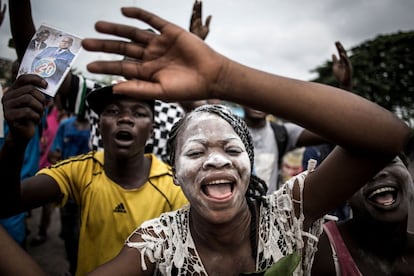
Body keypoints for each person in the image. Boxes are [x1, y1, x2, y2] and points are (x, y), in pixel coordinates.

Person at [0, 6, 409, 276]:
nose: (216, 161)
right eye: (195, 152)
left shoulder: (287, 215)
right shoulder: (159, 242)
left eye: (232, 150)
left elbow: (388, 136)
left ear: (250, 171)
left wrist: (225, 77)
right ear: (174, 174)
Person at [0, 79, 188, 275]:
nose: (125, 118)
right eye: (113, 111)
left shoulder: (174, 188)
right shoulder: (80, 169)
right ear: (98, 126)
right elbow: (6, 204)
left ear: (151, 132)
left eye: (139, 113)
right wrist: (16, 141)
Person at [8, 0, 211, 163]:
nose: (142, 59)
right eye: (136, 50)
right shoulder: (101, 97)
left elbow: (207, 114)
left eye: (151, 54)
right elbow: (43, 65)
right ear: (123, 57)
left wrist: (194, 51)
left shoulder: (175, 111)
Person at [311, 156, 414, 275]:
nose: (378, 173)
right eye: (361, 168)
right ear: (344, 193)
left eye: (389, 161)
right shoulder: (321, 251)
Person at [243, 106, 326, 193]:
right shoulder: (230, 130)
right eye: (253, 99)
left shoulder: (281, 133)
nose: (257, 105)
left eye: (262, 100)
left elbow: (326, 131)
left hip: (266, 204)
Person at [48, 112, 91, 275]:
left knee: (82, 233)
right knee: (68, 233)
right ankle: (72, 267)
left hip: (88, 190)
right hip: (68, 188)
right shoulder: (66, 125)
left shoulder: (97, 126)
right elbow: (55, 152)